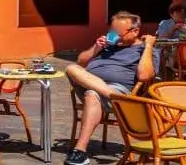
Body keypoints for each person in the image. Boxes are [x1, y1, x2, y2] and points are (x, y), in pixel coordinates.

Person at [63, 11, 157, 165]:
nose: (114, 35)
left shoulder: (146, 50)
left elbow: (144, 76)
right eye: (112, 31)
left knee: (92, 95)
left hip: (119, 88)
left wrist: (148, 47)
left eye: (118, 32)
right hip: (106, 92)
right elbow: (81, 62)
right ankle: (112, 94)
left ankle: (79, 150)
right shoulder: (108, 47)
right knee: (71, 68)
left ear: (135, 31)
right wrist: (96, 47)